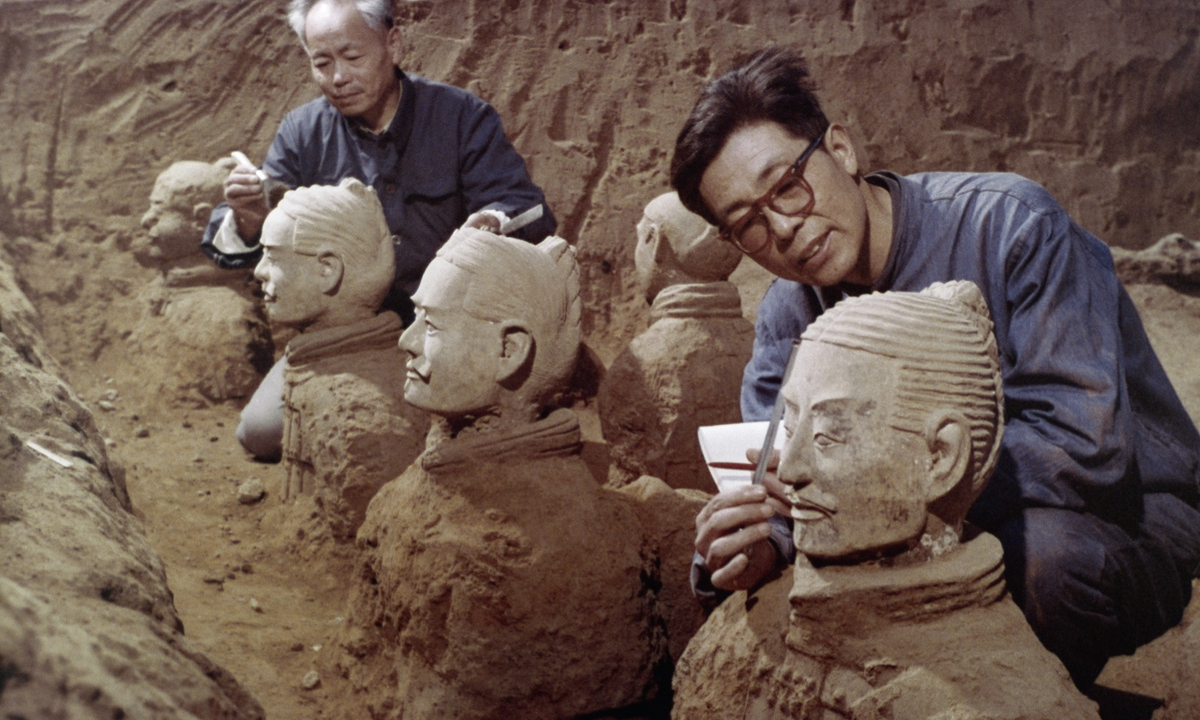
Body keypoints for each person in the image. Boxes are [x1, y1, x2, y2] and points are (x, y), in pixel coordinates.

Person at [674, 46, 1200, 688]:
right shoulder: (788, 313)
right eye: (748, 225)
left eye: (787, 185)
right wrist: (755, 545)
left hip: (1123, 511)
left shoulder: (1010, 226)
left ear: (840, 151)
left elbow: (1084, 447)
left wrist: (882, 487)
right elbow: (783, 480)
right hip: (919, 527)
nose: (782, 227)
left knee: (1046, 565)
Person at [205, 0, 555, 459]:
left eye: (352, 58)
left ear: (392, 43)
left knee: (468, 434)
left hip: (442, 330)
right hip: (342, 336)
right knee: (262, 431)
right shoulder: (303, 132)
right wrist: (249, 219)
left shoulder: (460, 117)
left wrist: (489, 222)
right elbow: (264, 223)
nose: (338, 78)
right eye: (321, 63)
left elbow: (527, 208)